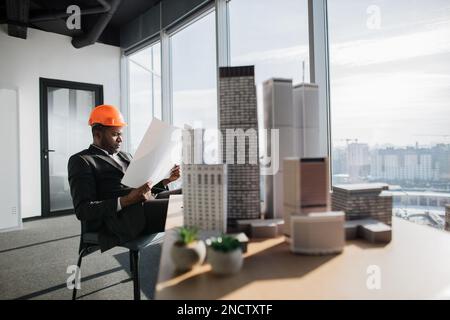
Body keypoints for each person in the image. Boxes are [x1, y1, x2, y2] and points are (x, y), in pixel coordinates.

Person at [68, 104, 180, 252]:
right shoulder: (82, 160)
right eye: (115, 134)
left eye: (121, 134)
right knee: (186, 208)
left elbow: (140, 186)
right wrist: (127, 200)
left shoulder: (126, 155)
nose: (120, 139)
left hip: (144, 203)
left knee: (190, 195)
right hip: (121, 219)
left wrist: (166, 180)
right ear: (97, 134)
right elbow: (83, 210)